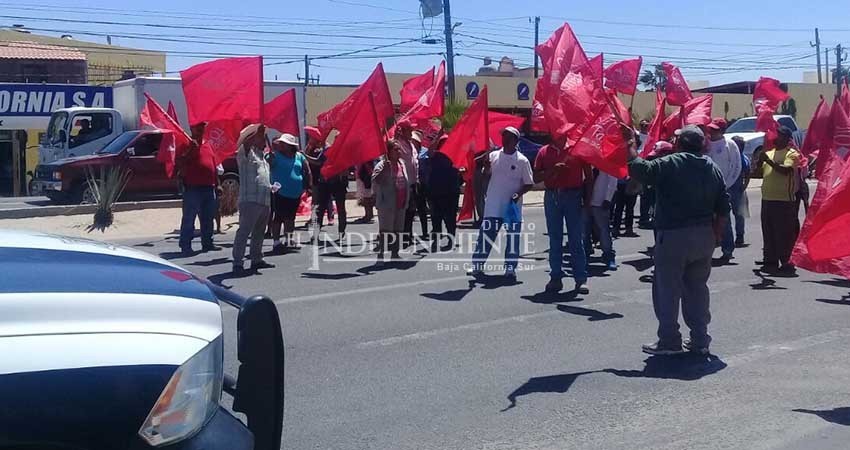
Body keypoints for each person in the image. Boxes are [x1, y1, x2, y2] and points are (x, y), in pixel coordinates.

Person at [628, 125, 730, 356]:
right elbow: (724, 207)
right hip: (704, 235)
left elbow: (640, 170)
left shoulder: (672, 162)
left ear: (679, 143)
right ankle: (700, 338)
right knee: (697, 288)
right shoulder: (711, 167)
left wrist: (631, 145)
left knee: (667, 289)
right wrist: (717, 235)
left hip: (674, 236)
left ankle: (669, 339)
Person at [468, 127, 534, 281]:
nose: (504, 139)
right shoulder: (493, 156)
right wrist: (486, 168)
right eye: (503, 136)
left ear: (515, 141)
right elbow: (486, 177)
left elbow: (529, 183)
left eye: (508, 137)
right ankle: (477, 265)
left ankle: (510, 268)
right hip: (493, 205)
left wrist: (518, 194)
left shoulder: (522, 160)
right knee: (485, 237)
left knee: (512, 239)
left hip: (511, 207)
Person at [534, 136, 594, 294]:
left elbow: (589, 176)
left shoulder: (578, 149)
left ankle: (581, 279)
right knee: (555, 239)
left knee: (576, 239)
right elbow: (535, 177)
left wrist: (588, 201)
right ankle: (555, 277)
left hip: (573, 195)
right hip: (552, 196)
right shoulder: (544, 151)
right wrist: (553, 170)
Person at [757, 126, 802, 274]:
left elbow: (785, 171)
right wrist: (759, 161)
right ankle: (770, 259)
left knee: (783, 232)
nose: (776, 137)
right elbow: (758, 174)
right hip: (767, 199)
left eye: (780, 135)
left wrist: (768, 161)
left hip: (783, 200)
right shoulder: (769, 153)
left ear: (787, 138)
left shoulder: (792, 154)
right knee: (768, 230)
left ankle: (787, 261)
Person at [232, 124, 275, 275]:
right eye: (262, 137)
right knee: (244, 232)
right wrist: (256, 133)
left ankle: (256, 258)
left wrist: (270, 187)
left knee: (259, 232)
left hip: (264, 200)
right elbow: (246, 144)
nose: (264, 140)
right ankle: (237, 261)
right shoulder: (246, 153)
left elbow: (261, 177)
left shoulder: (263, 158)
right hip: (250, 199)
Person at [178, 122, 220, 256]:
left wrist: (217, 183)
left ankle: (207, 243)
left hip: (209, 187)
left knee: (208, 217)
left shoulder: (208, 145)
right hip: (193, 187)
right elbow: (180, 163)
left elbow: (213, 165)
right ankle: (185, 244)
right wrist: (191, 150)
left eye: (203, 127)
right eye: (198, 127)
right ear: (191, 128)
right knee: (189, 218)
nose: (201, 129)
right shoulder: (186, 143)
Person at [704, 118, 742, 264]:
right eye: (711, 129)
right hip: (708, 189)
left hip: (725, 188)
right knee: (708, 220)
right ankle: (707, 249)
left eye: (715, 130)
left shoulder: (729, 144)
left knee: (724, 219)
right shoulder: (705, 144)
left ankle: (727, 250)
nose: (712, 132)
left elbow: (736, 166)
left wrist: (726, 185)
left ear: (722, 131)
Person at [269, 133, 311, 252]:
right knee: (278, 217)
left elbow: (306, 170)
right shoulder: (275, 156)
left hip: (295, 192)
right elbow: (269, 165)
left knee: (290, 218)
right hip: (280, 191)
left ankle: (289, 239)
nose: (281, 145)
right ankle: (276, 242)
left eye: (283, 143)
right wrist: (270, 159)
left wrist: (308, 185)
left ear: (290, 145)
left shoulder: (299, 156)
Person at [305, 128, 347, 240]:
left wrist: (305, 157)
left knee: (340, 208)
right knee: (320, 208)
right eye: (337, 138)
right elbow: (319, 161)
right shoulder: (328, 149)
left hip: (339, 182)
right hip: (325, 181)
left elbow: (317, 161)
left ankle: (341, 232)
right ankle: (316, 234)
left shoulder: (345, 151)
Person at [372, 140, 410, 264]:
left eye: (399, 149)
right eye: (396, 150)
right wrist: (385, 170)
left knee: (398, 229)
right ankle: (381, 255)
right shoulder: (382, 165)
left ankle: (395, 253)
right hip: (387, 203)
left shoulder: (401, 163)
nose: (399, 152)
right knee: (385, 230)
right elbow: (376, 180)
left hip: (401, 201)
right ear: (388, 152)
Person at [427, 135, 462, 251]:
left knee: (451, 217)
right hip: (436, 191)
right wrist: (438, 135)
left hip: (451, 191)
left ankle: (451, 238)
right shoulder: (435, 155)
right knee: (436, 217)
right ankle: (436, 240)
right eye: (443, 142)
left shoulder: (455, 155)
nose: (445, 145)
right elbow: (430, 151)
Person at [585, 168, 619, 271]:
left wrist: (608, 199)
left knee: (604, 230)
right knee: (584, 231)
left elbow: (613, 181)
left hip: (600, 201)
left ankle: (608, 256)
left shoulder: (605, 162)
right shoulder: (584, 159)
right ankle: (585, 255)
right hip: (584, 201)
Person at [395, 120, 420, 245]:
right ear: (402, 131)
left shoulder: (412, 145)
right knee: (403, 211)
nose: (411, 132)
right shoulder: (397, 144)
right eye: (409, 130)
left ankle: (408, 234)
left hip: (413, 182)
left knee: (411, 211)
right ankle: (402, 236)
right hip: (403, 183)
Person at [730, 136, 750, 248]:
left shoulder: (743, 158)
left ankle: (740, 235)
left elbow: (748, 174)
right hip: (728, 187)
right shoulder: (731, 156)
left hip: (738, 189)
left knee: (739, 214)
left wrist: (744, 186)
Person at [413, 131, 431, 240]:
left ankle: (426, 231)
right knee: (417, 209)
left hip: (426, 183)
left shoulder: (425, 152)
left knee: (426, 209)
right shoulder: (410, 152)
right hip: (415, 183)